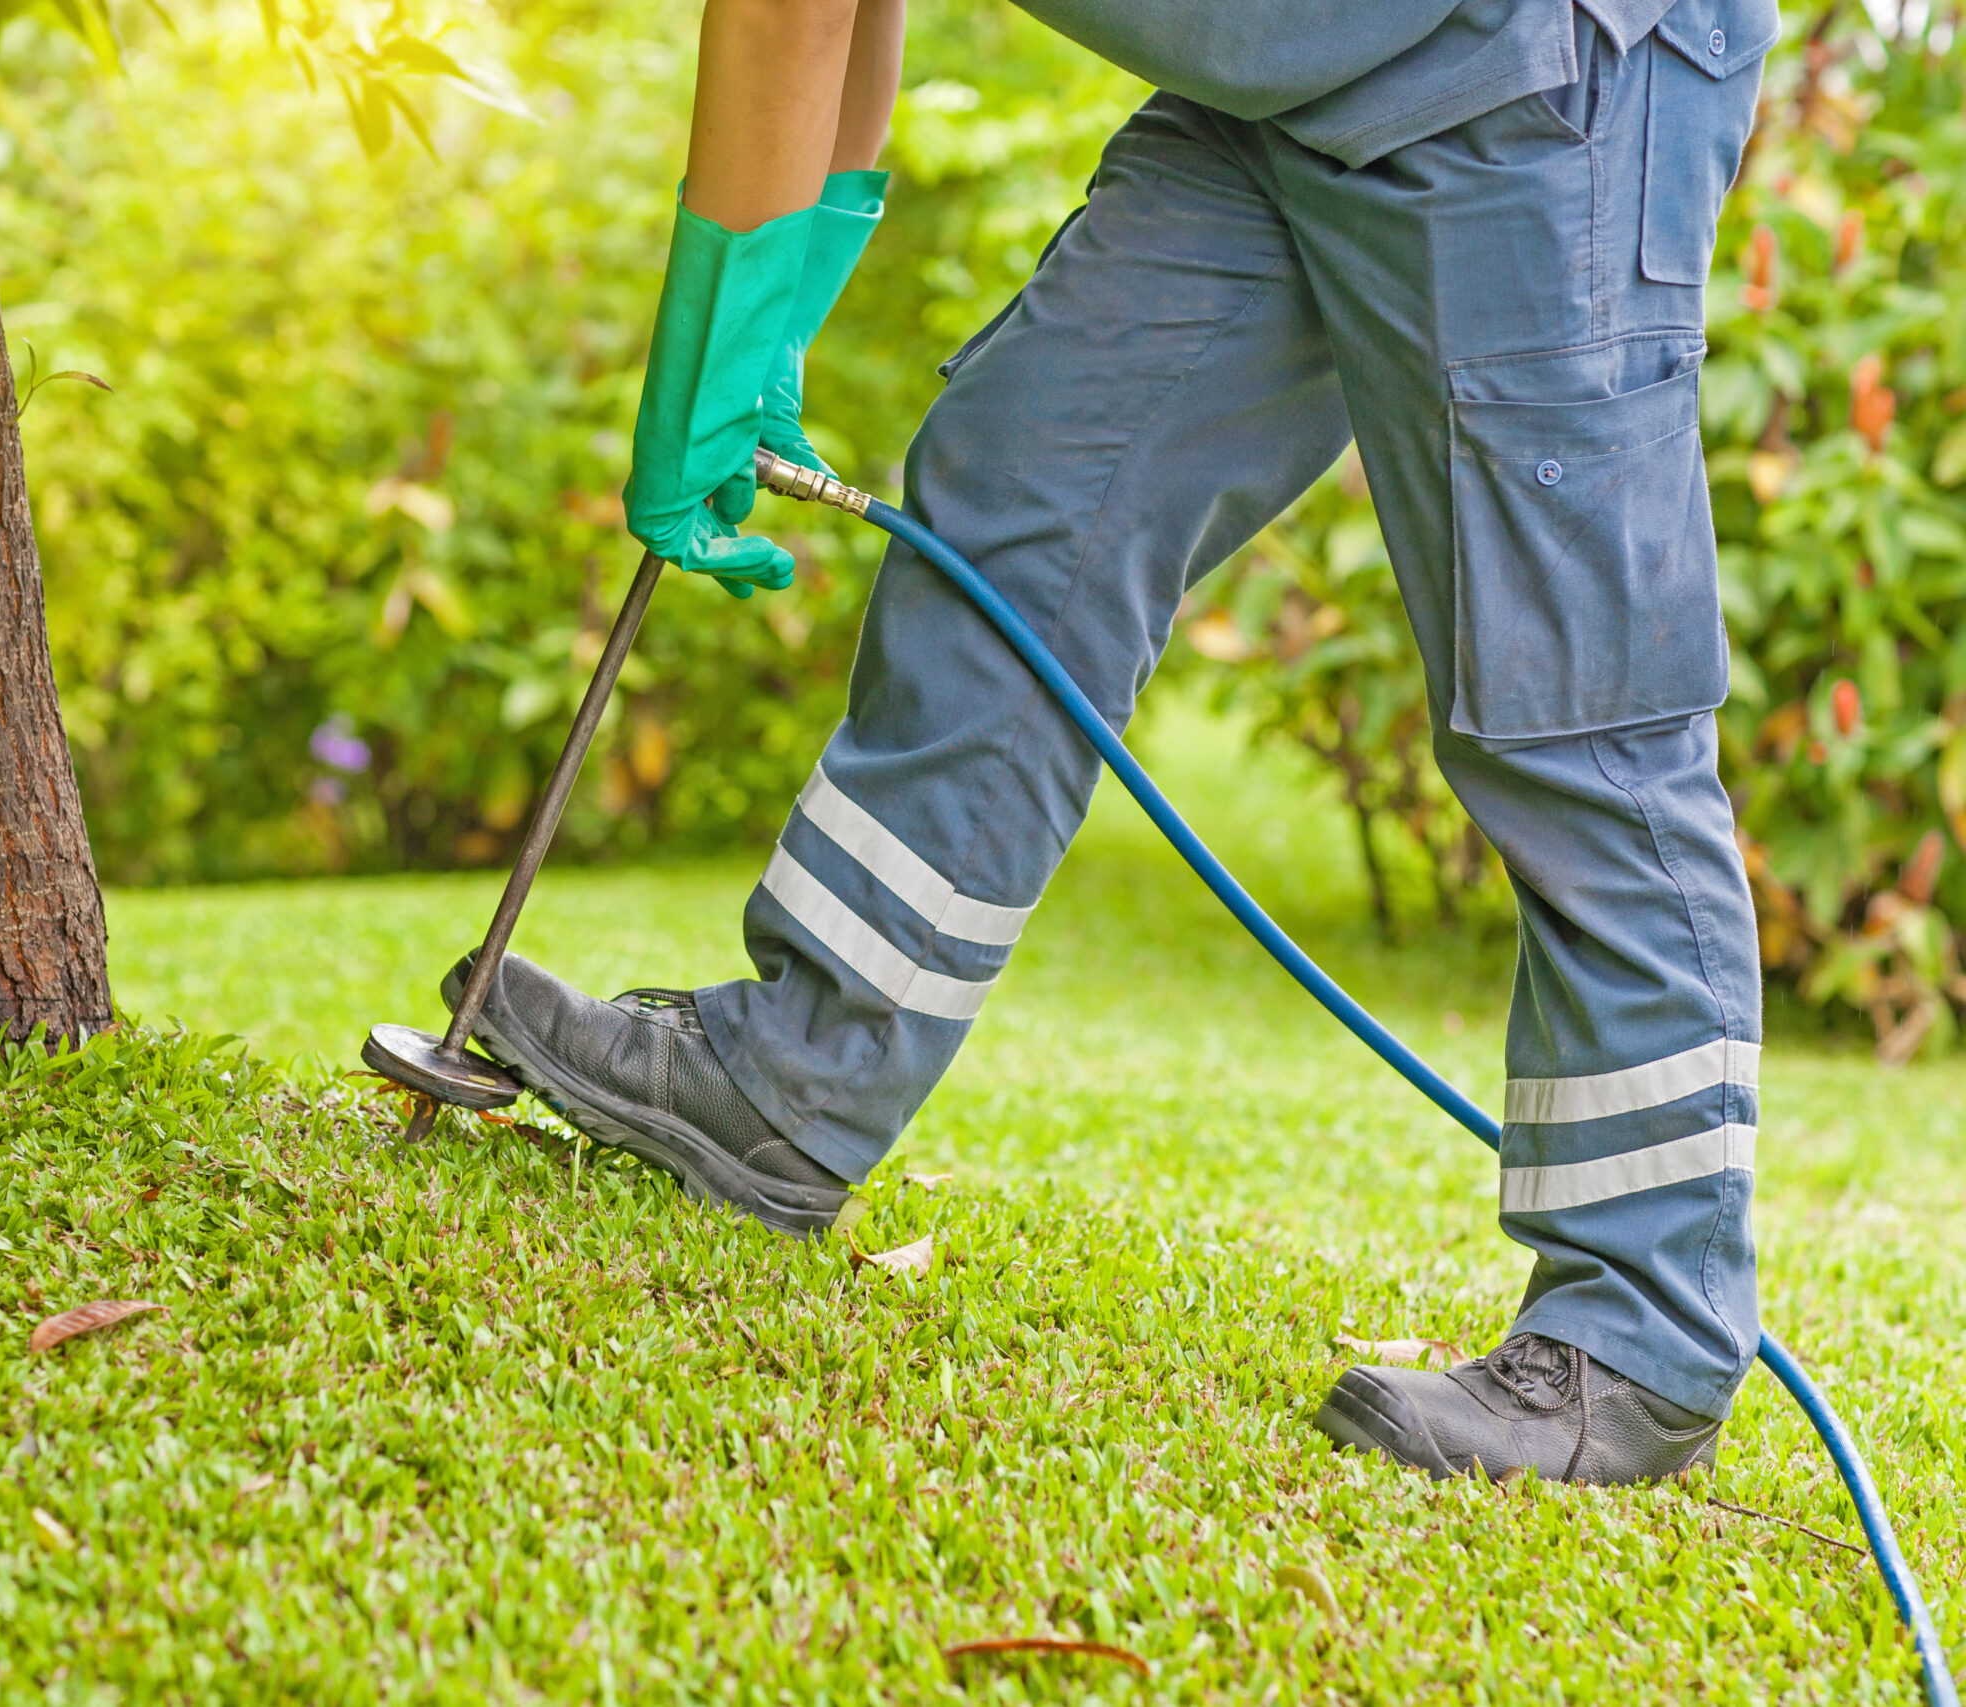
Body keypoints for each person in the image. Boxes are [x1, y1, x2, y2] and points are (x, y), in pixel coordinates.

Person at [442, 0, 1777, 1487]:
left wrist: (710, 327)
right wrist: (776, 293)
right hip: (1285, 80)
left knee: (1570, 699)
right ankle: (800, 1076)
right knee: (1030, 502)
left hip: (1536, 73)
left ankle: (1641, 1330)